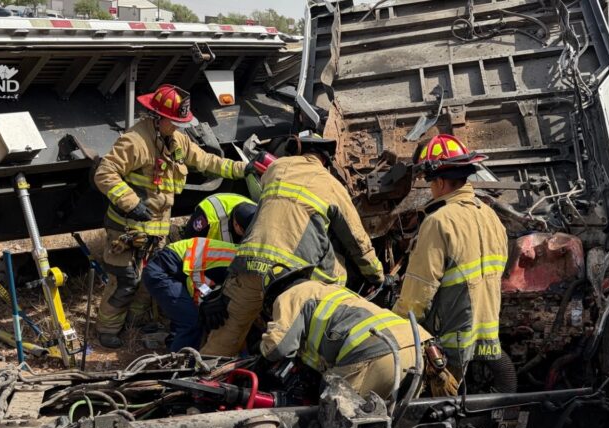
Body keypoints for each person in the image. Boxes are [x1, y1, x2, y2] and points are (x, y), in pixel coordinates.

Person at [200, 133, 385, 357]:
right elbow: (357, 242)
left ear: (296, 150)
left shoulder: (277, 168)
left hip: (246, 267)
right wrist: (377, 276)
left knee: (223, 338)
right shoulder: (333, 186)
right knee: (338, 274)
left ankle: (204, 381)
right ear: (325, 161)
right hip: (289, 277)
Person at [93, 84, 246, 349]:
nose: (177, 127)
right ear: (157, 117)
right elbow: (105, 173)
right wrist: (130, 203)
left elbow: (208, 161)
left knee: (149, 280)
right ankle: (106, 329)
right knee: (126, 279)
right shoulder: (135, 141)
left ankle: (136, 323)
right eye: (173, 122)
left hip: (157, 229)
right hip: (128, 228)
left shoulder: (176, 140)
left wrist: (244, 169)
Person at [392, 134, 508, 381]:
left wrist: (396, 329)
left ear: (441, 183)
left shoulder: (438, 222)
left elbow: (418, 293)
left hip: (450, 346)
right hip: (487, 337)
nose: (431, 189)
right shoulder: (491, 216)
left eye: (430, 182)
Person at [260, 266, 457, 399]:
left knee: (331, 420)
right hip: (420, 347)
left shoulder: (289, 295)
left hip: (379, 357)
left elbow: (277, 347)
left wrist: (261, 344)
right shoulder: (332, 290)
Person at [141, 237, 239, 352]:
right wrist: (208, 297)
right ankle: (181, 364)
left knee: (187, 314)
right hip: (163, 272)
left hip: (174, 270)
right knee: (190, 321)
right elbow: (195, 275)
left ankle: (174, 348)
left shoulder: (236, 256)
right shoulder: (233, 262)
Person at [182, 192, 257, 243]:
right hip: (207, 212)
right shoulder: (206, 217)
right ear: (236, 225)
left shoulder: (256, 212)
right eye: (245, 233)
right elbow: (190, 243)